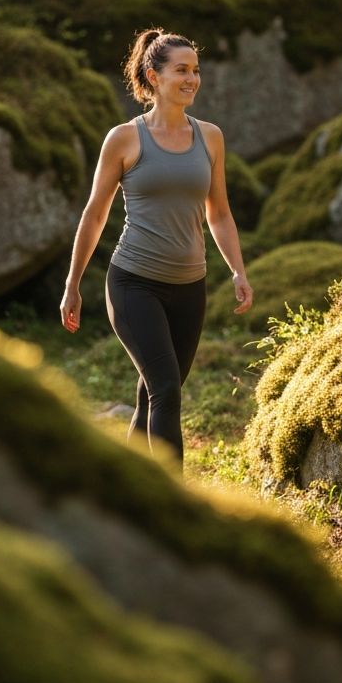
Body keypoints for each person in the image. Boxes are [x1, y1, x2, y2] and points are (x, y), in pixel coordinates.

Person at [60, 28, 253, 460]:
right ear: (154, 76)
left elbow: (218, 212)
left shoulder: (211, 137)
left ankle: (128, 492)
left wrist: (238, 270)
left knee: (154, 393)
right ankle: (177, 507)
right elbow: (94, 214)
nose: (192, 79)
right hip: (134, 284)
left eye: (196, 70)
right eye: (181, 70)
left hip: (190, 287)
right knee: (166, 390)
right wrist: (73, 283)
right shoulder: (125, 139)